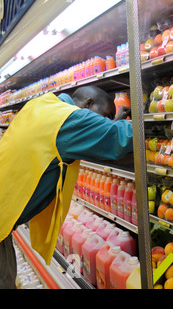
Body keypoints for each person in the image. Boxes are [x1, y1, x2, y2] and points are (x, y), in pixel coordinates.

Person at [0, 86, 133, 289]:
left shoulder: (43, 105)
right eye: (104, 115)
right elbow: (121, 137)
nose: (104, 121)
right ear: (88, 104)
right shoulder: (68, 118)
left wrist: (109, 122)